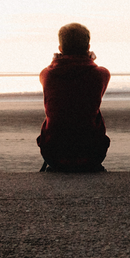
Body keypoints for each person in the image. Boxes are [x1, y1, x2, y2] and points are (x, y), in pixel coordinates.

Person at [37, 23, 110, 172]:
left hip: (53, 153)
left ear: (60, 49)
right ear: (88, 47)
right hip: (92, 153)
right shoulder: (101, 74)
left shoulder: (46, 75)